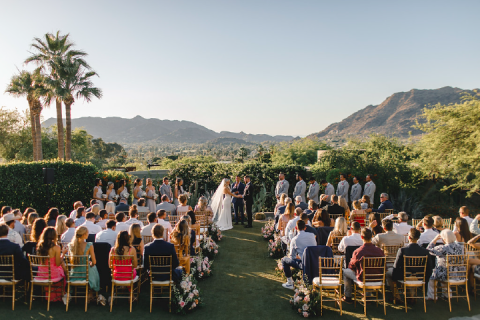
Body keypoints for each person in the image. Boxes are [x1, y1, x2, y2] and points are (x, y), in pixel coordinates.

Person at [342, 228, 385, 304]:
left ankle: (347, 296)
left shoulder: (358, 251)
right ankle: (367, 295)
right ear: (371, 236)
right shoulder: (380, 251)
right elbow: (384, 267)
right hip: (378, 278)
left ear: (362, 237)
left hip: (364, 279)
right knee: (368, 272)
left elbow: (351, 266)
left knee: (345, 272)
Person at [387, 228, 432, 299]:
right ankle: (411, 295)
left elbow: (396, 266)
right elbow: (429, 267)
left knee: (388, 273)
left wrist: (394, 278)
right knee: (411, 273)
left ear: (409, 237)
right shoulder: (425, 251)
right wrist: (425, 279)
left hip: (405, 276)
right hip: (419, 277)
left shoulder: (402, 250)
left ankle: (396, 295)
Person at [68, 226, 105, 304]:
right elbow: (94, 261)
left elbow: (70, 261)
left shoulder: (71, 245)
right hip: (86, 274)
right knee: (94, 268)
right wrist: (90, 263)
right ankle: (90, 293)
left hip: (74, 273)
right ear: (84, 234)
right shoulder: (89, 245)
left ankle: (82, 294)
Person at [426, 229, 465, 299]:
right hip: (459, 274)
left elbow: (428, 250)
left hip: (447, 274)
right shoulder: (460, 247)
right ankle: (447, 294)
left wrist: (434, 240)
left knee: (433, 277)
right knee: (442, 271)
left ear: (443, 239)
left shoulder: (443, 248)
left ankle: (432, 296)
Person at [281, 220, 317, 289]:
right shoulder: (312, 235)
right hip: (314, 261)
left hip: (303, 263)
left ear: (296, 228)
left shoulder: (295, 240)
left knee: (284, 260)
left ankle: (290, 283)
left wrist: (299, 257)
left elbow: (292, 257)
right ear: (305, 227)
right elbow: (314, 247)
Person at [36, 227, 67, 302]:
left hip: (41, 273)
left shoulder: (40, 246)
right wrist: (63, 254)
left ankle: (51, 295)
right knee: (63, 271)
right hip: (52, 274)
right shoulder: (56, 248)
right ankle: (60, 295)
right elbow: (57, 263)